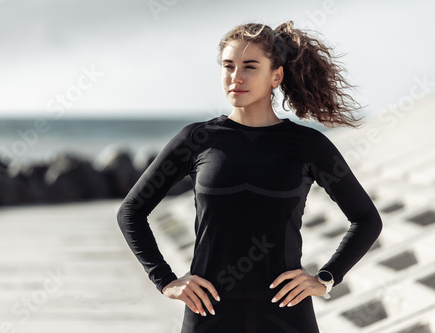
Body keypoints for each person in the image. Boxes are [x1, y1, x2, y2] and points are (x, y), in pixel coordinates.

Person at [116, 21, 382, 332]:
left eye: (250, 66)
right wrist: (165, 281)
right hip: (209, 315)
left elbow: (366, 218)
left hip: (287, 317)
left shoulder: (308, 145)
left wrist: (325, 278)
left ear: (276, 75)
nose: (236, 77)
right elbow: (131, 212)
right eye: (228, 66)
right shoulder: (198, 139)